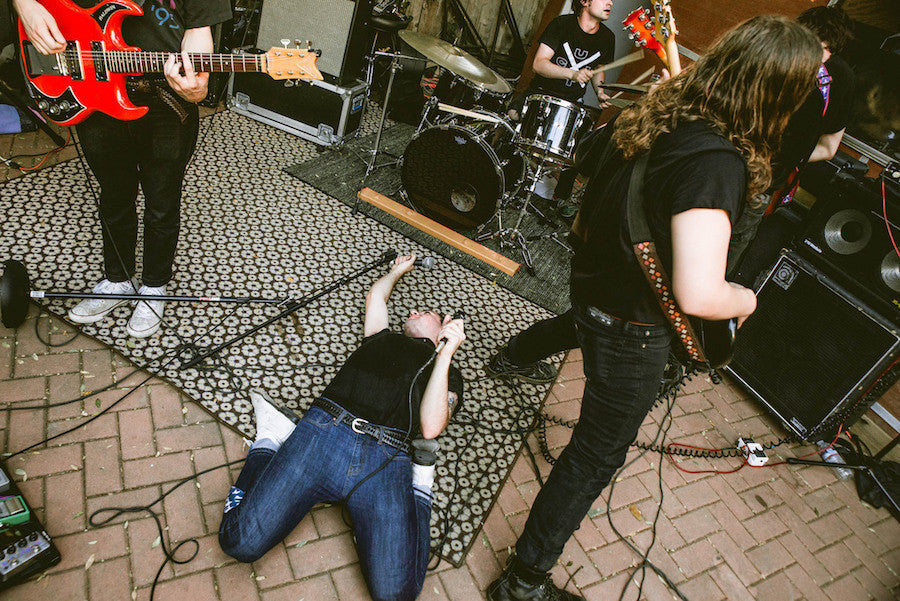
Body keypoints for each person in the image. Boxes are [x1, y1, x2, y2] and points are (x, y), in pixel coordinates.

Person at [486, 16, 822, 601]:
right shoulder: (717, 163)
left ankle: (513, 353)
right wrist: (747, 298)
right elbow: (697, 294)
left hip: (597, 286)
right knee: (596, 453)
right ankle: (522, 582)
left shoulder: (661, 113)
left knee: (582, 327)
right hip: (632, 325)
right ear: (775, 94)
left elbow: (589, 170)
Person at [218, 254, 465, 601]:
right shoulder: (381, 337)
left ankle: (420, 486)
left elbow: (430, 427)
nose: (412, 313)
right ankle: (269, 440)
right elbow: (376, 299)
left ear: (444, 326)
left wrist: (446, 354)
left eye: (424, 313)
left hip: (387, 459)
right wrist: (396, 272)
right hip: (326, 430)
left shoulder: (448, 372)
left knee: (396, 594)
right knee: (239, 542)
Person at [13, 0, 232, 338]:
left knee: (162, 198)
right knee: (115, 192)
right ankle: (117, 279)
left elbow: (198, 30)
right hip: (90, 87)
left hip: (164, 95)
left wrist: (198, 85)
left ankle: (154, 286)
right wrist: (26, 7)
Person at [727, 5, 856, 281]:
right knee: (721, 264)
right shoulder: (841, 77)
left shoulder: (780, 57)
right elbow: (829, 148)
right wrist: (786, 158)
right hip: (761, 184)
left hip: (731, 171)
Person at [509, 0, 615, 218]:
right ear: (585, 1)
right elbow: (539, 64)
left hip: (572, 102)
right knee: (512, 117)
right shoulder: (561, 25)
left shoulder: (607, 38)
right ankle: (506, 177)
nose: (610, 2)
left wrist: (601, 93)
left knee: (581, 145)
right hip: (540, 93)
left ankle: (560, 200)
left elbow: (598, 73)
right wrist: (572, 74)